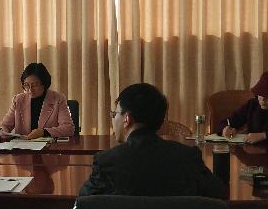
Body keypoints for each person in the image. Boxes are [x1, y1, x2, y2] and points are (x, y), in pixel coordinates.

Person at [79, 83, 226, 198]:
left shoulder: (106, 162)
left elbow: (83, 202)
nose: (113, 119)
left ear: (126, 119)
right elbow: (219, 193)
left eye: (115, 114)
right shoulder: (188, 157)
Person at [0, 63, 75, 139]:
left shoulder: (58, 99)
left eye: (34, 85)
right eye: (26, 85)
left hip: (49, 146)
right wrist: (2, 130)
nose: (30, 90)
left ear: (44, 83)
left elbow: (68, 128)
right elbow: (4, 125)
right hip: (23, 145)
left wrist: (44, 132)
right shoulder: (18, 100)